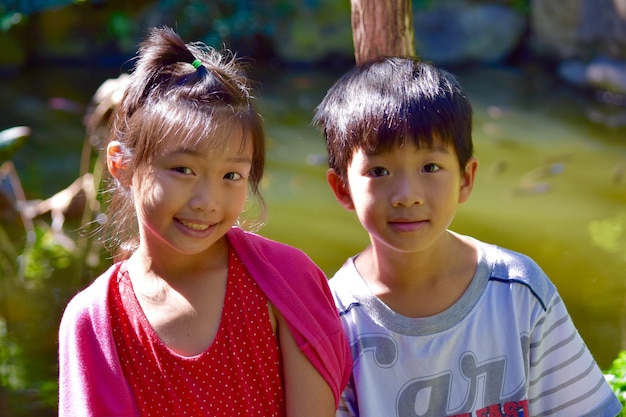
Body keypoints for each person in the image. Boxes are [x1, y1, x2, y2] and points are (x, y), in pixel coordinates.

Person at [58, 26, 351, 417]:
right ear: (121, 164)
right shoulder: (97, 322)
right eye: (183, 169)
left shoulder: (286, 282)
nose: (207, 202)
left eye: (232, 176)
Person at [313, 56, 621, 417]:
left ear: (466, 178)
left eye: (430, 167)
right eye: (379, 171)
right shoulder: (334, 321)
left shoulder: (517, 290)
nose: (407, 194)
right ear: (342, 188)